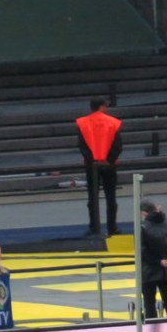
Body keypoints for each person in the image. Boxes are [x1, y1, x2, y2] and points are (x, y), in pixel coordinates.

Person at [75, 97, 123, 237]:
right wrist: (110, 160)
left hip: (92, 165)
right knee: (111, 197)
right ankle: (112, 227)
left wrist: (91, 160)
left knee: (92, 198)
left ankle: (94, 227)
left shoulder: (83, 123)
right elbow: (117, 145)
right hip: (109, 165)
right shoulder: (113, 122)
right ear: (101, 107)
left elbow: (82, 145)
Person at [140, 199, 167, 319]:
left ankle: (152, 326)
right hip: (165, 267)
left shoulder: (143, 227)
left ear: (144, 213)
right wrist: (162, 260)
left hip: (149, 269)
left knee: (149, 303)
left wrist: (157, 261)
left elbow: (142, 251)